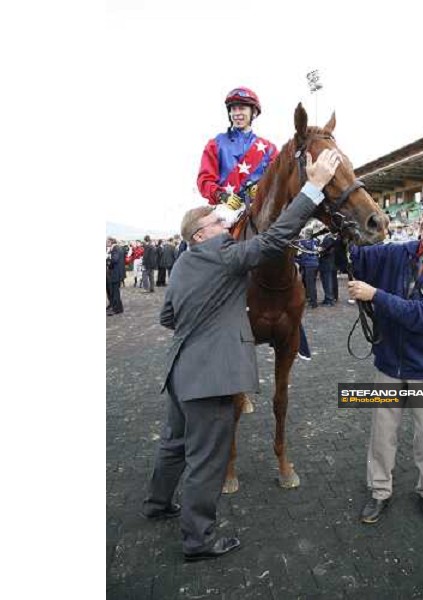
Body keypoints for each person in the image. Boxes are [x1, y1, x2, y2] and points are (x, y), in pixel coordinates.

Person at [141, 149, 341, 562]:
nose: (225, 222)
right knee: (206, 461)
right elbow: (273, 239)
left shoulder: (182, 265)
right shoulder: (225, 255)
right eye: (216, 221)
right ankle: (198, 540)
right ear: (200, 235)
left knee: (173, 444)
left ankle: (157, 504)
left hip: (179, 372)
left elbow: (167, 317)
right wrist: (314, 186)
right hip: (212, 377)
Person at [347, 195, 423, 525]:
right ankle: (379, 491)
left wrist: (376, 295)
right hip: (388, 362)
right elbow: (356, 255)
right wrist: (344, 227)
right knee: (381, 432)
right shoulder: (400, 251)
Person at [196, 86, 278, 228]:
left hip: (262, 205)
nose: (237, 113)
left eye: (242, 108)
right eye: (233, 109)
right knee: (204, 237)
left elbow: (278, 179)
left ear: (254, 112)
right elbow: (204, 180)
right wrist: (221, 195)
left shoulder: (269, 148)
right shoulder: (215, 144)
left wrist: (263, 187)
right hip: (227, 208)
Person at [106, 237, 125, 316]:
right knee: (115, 292)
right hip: (116, 273)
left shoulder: (115, 249)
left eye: (107, 242)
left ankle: (117, 309)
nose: (106, 243)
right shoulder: (117, 248)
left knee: (115, 292)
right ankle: (117, 308)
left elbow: (115, 260)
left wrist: (107, 260)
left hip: (115, 274)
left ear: (110, 242)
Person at [318, 231, 336, 306]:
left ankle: (329, 300)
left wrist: (320, 251)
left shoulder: (329, 238)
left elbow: (327, 250)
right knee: (326, 282)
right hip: (326, 263)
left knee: (327, 282)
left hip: (327, 264)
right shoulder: (329, 238)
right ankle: (327, 299)